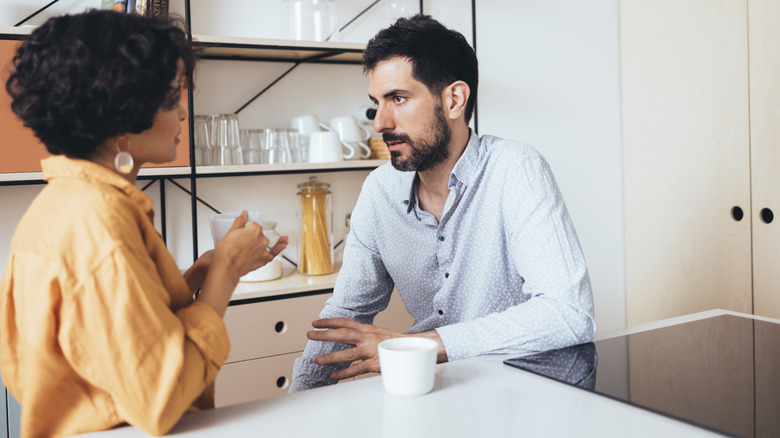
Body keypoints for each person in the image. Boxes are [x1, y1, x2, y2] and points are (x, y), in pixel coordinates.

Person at [0, 10, 288, 437]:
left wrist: (193, 278)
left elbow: (110, 338)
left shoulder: (71, 204)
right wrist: (224, 275)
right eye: (172, 98)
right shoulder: (98, 220)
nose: (184, 113)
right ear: (123, 114)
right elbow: (161, 396)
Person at [290, 14, 595, 392]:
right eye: (376, 103)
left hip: (522, 392)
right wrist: (297, 403)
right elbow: (345, 316)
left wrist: (421, 345)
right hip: (430, 389)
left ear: (454, 100)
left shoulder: (517, 170)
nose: (380, 123)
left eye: (398, 99)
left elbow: (569, 314)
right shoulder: (379, 191)